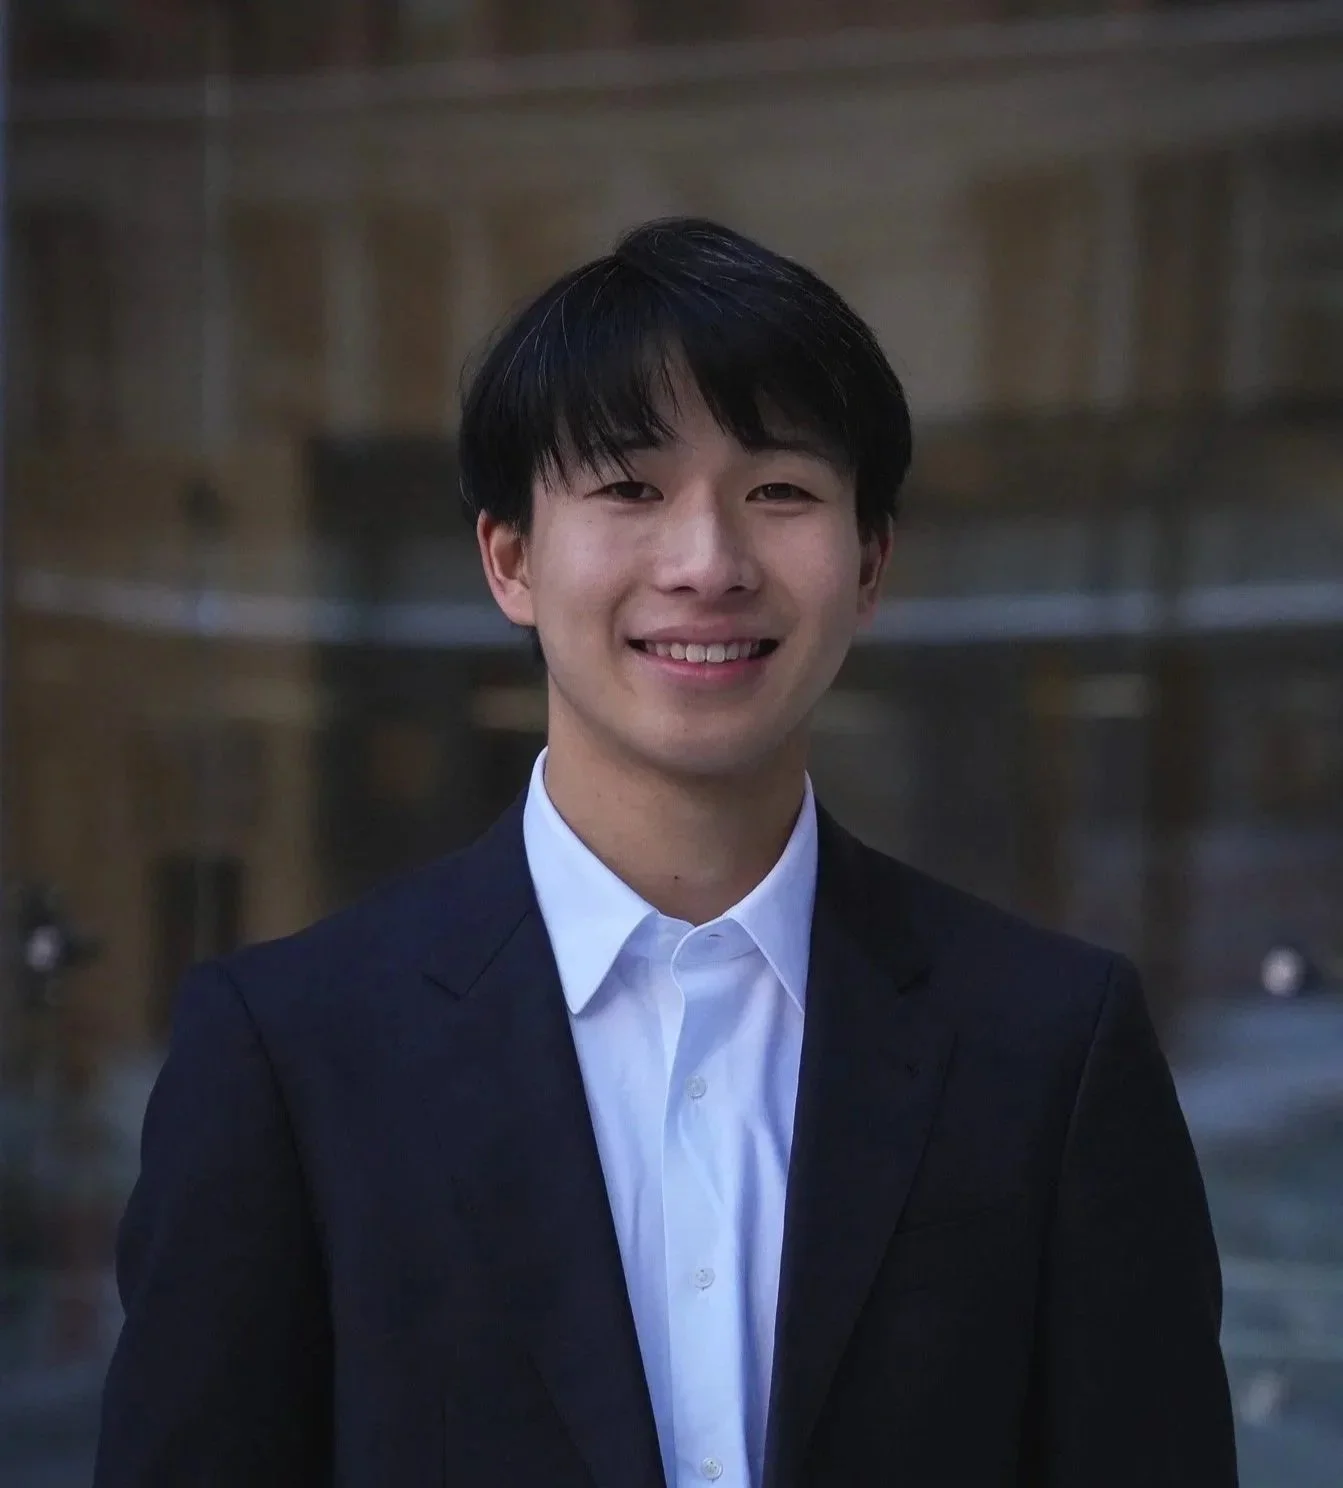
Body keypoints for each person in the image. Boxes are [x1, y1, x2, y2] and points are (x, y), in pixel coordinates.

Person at [94, 218, 1237, 1488]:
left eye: (779, 492)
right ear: (510, 558)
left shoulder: (1050, 1047)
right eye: (629, 490)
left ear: (868, 565)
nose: (706, 563)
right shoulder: (290, 1053)